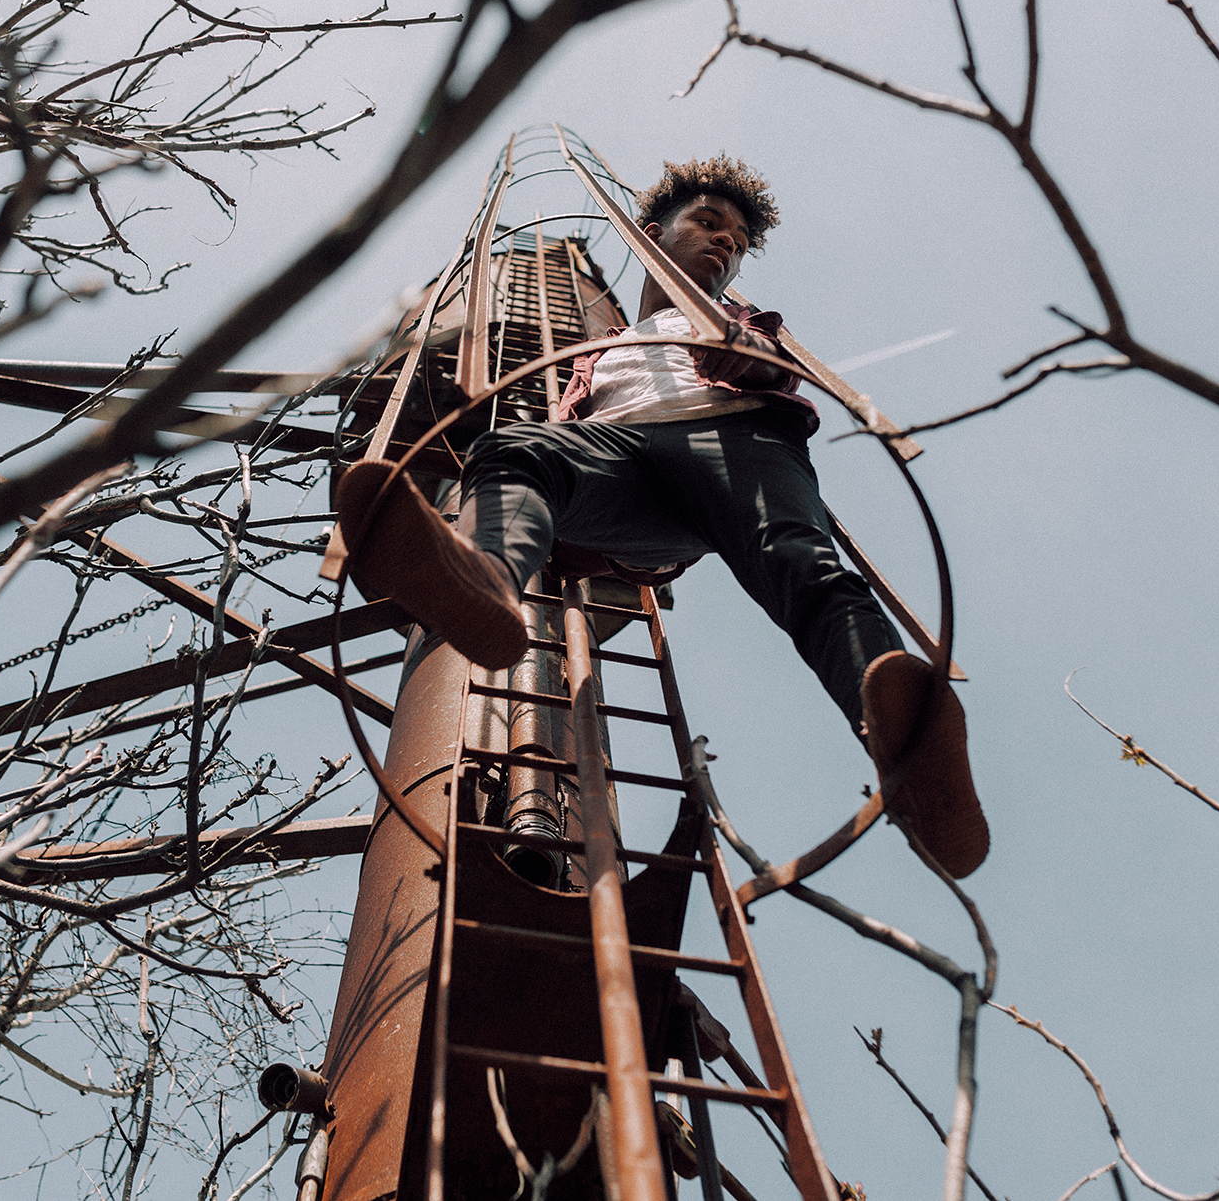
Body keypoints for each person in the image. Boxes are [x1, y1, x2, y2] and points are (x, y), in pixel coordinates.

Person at [336, 156, 988, 878]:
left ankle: (915, 751)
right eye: (708, 224)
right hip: (629, 463)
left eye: (737, 241)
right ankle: (484, 581)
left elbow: (780, 369)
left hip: (732, 436)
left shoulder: (735, 317)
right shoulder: (602, 346)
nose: (725, 244)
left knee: (804, 565)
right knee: (512, 449)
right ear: (650, 235)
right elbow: (567, 443)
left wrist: (748, 351)